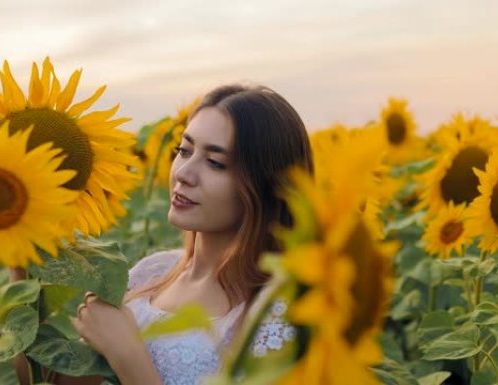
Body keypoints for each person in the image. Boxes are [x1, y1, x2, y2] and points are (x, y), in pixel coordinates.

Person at [44, 84, 312, 385]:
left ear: (267, 185)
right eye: (184, 150)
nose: (184, 172)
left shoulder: (280, 312)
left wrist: (127, 355)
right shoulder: (151, 273)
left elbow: (125, 356)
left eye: (215, 163)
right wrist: (20, 251)